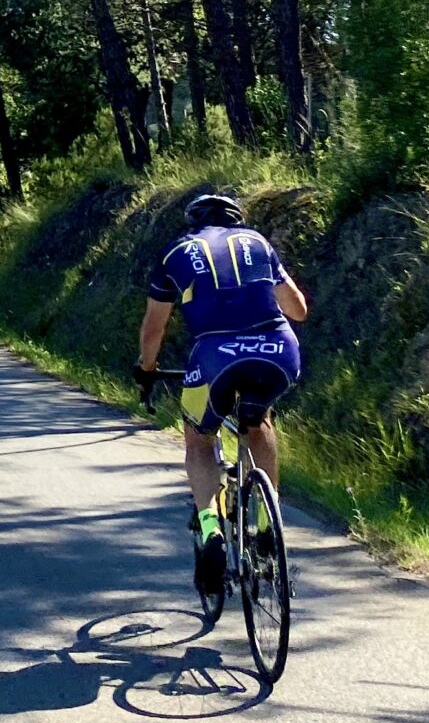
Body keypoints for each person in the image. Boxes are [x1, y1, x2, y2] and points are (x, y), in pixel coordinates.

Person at [133, 192, 309, 596]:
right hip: (278, 351)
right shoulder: (257, 243)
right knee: (257, 419)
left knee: (199, 437)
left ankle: (211, 527)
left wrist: (146, 369)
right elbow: (297, 309)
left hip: (215, 356)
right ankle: (267, 525)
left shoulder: (176, 252)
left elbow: (154, 329)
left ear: (193, 222)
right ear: (236, 219)